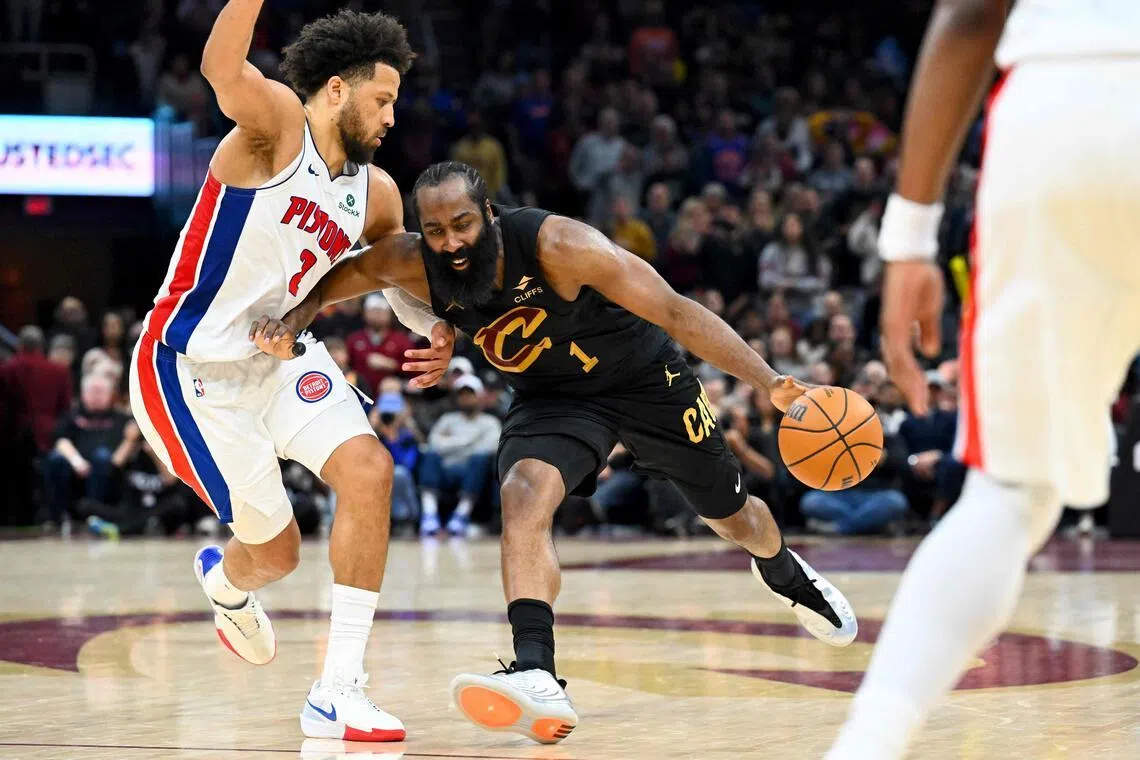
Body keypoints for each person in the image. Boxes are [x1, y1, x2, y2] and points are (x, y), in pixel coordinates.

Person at [274, 160, 858, 745]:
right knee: (522, 496)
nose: (450, 242)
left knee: (736, 521)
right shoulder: (411, 261)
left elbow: (677, 310)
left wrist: (767, 380)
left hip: (643, 379)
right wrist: (294, 317)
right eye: (435, 230)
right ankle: (536, 669)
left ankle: (783, 570)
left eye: (462, 225)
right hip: (552, 399)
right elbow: (340, 277)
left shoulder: (562, 245)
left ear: (491, 217)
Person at [124, 4, 454, 742]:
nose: (392, 118)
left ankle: (338, 688)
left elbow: (393, 282)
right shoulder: (279, 126)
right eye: (382, 99)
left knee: (370, 469)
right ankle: (224, 583)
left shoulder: (375, 192)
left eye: (397, 103)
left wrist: (433, 327)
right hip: (191, 369)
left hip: (282, 357)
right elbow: (220, 70)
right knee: (276, 553)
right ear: (336, 90)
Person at [826, 1, 1140, 757]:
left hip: (1068, 104)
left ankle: (867, 745)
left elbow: (971, 15)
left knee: (1008, 497)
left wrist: (907, 237)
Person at [418, 374, 501, 537]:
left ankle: (461, 515)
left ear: (479, 396)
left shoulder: (490, 422)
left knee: (479, 459)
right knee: (430, 455)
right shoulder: (448, 419)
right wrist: (465, 441)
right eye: (462, 395)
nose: (466, 398)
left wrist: (450, 443)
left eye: (470, 394)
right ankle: (429, 514)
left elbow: (489, 447)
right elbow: (434, 442)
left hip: (472, 470)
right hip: (446, 468)